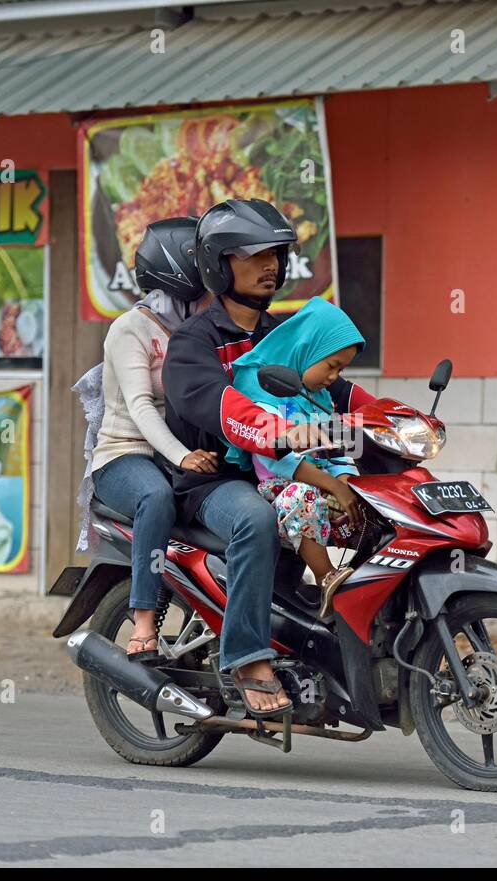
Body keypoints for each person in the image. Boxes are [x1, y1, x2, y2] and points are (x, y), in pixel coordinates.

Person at [163, 199, 376, 716]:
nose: (271, 267)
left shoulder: (278, 334)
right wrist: (278, 433)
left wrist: (393, 421)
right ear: (218, 262)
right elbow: (222, 405)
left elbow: (332, 389)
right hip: (215, 481)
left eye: (277, 255)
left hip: (281, 469)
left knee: (373, 502)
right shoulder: (195, 341)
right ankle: (246, 657)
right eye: (253, 255)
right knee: (256, 519)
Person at [88, 217, 218, 655]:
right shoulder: (131, 329)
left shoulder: (196, 331)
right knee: (156, 498)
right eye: (199, 292)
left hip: (178, 454)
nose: (207, 300)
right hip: (125, 455)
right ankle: (142, 622)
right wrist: (182, 457)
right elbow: (141, 407)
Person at [224, 296, 367, 619]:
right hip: (279, 487)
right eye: (331, 366)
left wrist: (345, 479)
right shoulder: (261, 387)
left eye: (341, 370)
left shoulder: (319, 397)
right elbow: (278, 460)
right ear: (307, 348)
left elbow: (336, 447)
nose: (334, 377)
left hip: (321, 484)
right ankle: (326, 576)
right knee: (300, 497)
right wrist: (333, 485)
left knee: (369, 501)